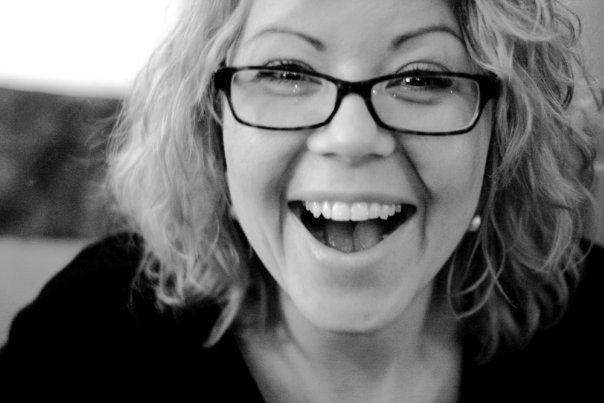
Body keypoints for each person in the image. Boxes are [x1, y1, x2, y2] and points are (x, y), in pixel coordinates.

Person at [1, 0, 602, 401]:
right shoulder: (86, 338)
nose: (351, 137)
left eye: (421, 78)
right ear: (213, 129)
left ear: (502, 136)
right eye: (287, 71)